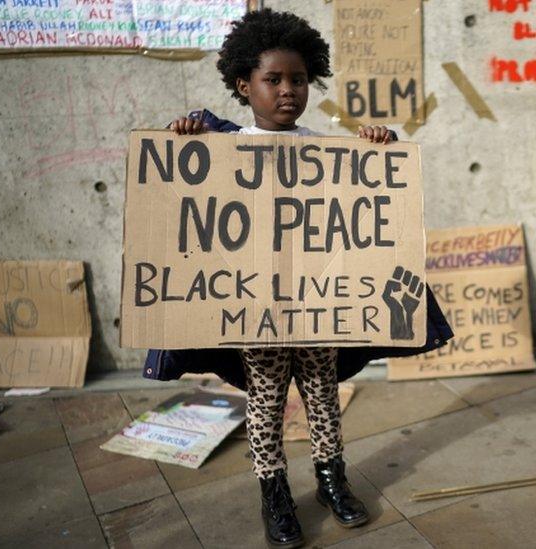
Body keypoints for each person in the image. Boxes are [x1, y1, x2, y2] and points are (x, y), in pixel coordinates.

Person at [166, 9, 420, 548]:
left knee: (323, 392)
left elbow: (366, 197)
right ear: (244, 86)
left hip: (320, 300)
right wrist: (188, 131)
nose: (288, 91)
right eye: (273, 80)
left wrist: (379, 144)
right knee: (265, 399)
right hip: (257, 306)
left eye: (299, 80)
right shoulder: (225, 148)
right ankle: (274, 493)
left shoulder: (329, 149)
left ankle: (332, 479)